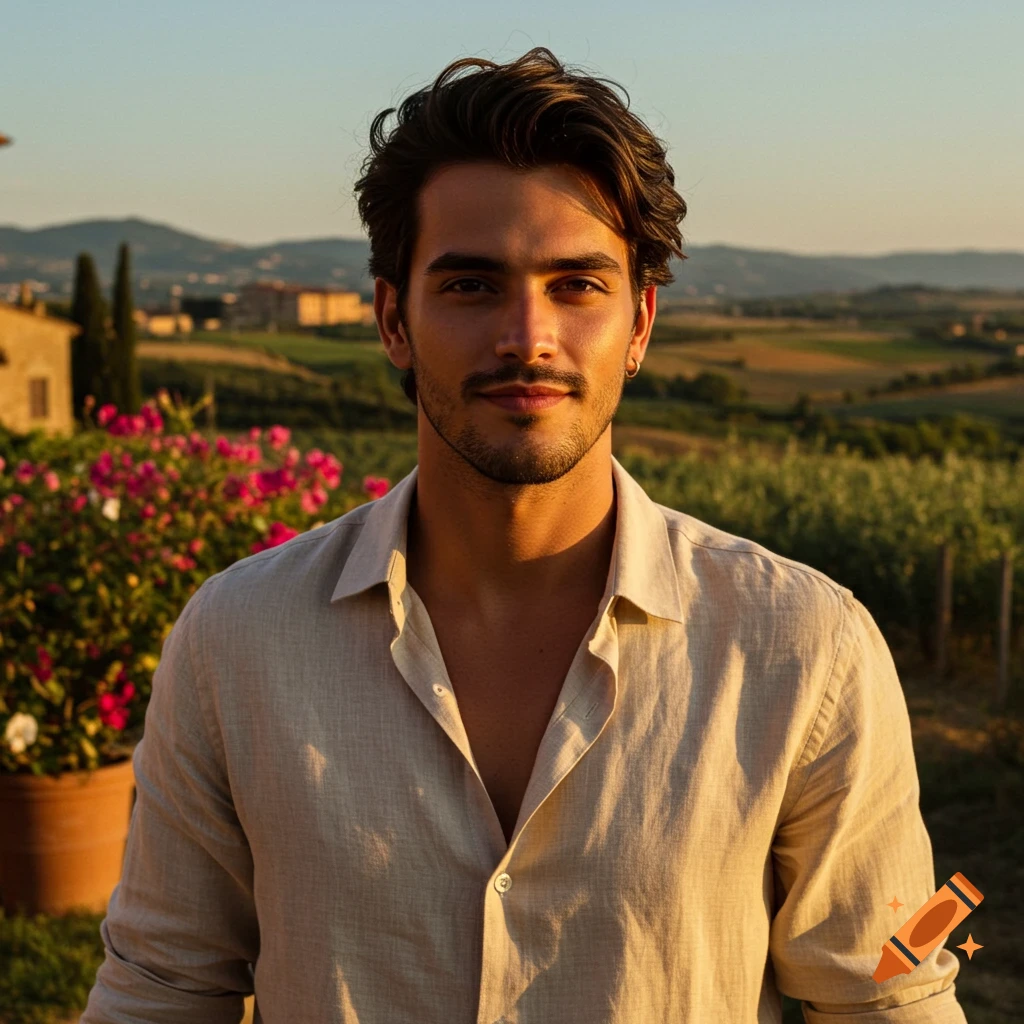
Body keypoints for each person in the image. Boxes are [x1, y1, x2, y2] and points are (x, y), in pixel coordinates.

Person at [81, 47, 966, 1023]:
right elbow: (161, 989)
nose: (526, 335)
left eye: (576, 284)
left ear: (639, 323)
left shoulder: (804, 647)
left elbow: (890, 995)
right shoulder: (237, 639)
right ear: (391, 320)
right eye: (470, 285)